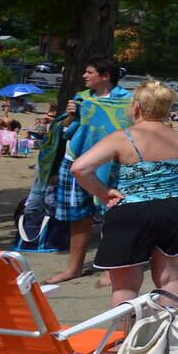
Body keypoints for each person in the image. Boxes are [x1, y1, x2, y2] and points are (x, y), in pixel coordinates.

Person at [70, 80, 178, 305]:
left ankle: (125, 335)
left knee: (125, 284)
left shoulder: (122, 137)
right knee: (169, 277)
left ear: (136, 107)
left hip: (131, 210)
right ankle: (171, 332)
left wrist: (103, 191)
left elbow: (80, 168)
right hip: (173, 209)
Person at [46, 57, 133, 285]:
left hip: (112, 164)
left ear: (104, 76)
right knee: (77, 215)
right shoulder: (81, 98)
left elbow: (134, 129)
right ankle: (74, 268)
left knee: (111, 215)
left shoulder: (128, 100)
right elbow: (66, 130)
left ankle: (110, 268)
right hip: (77, 161)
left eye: (89, 72)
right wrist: (71, 116)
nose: (84, 76)